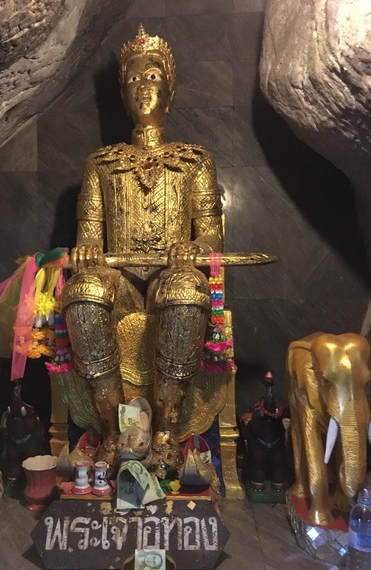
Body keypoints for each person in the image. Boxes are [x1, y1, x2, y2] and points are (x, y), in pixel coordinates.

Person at [62, 24, 223, 477]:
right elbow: (88, 235)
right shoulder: (101, 163)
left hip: (171, 275)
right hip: (121, 282)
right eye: (133, 79)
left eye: (152, 76)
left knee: (185, 290)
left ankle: (166, 433)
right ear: (122, 95)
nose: (142, 87)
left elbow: (212, 235)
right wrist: (87, 250)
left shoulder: (195, 160)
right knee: (83, 291)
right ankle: (116, 430)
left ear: (170, 90)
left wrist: (193, 248)